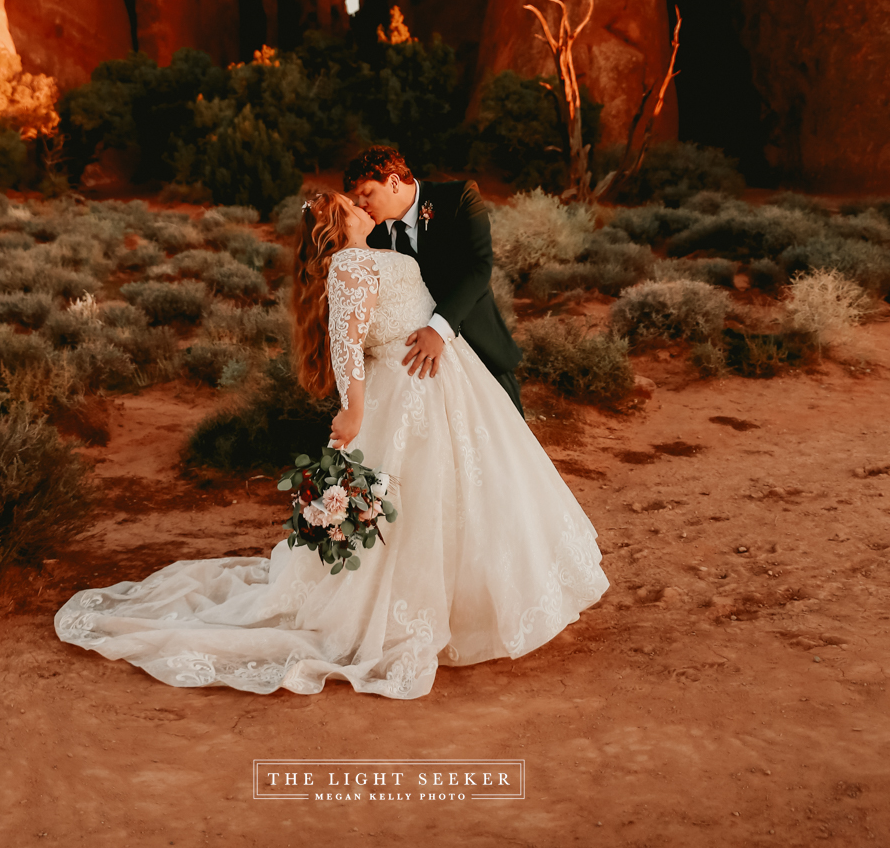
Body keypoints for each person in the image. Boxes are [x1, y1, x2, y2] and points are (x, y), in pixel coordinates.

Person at [54, 192, 608, 699]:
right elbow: (346, 345)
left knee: (465, 491)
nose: (365, 204)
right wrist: (355, 410)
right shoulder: (348, 264)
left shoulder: (375, 250)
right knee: (416, 500)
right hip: (404, 387)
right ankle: (409, 614)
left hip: (445, 382)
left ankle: (478, 603)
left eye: (364, 196)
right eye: (353, 204)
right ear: (336, 227)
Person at [345, 146, 525, 414]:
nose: (361, 204)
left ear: (393, 182)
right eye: (356, 198)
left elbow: (479, 266)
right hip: (411, 370)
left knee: (506, 439)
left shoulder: (459, 197)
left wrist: (438, 329)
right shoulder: (370, 233)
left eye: (367, 193)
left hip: (475, 342)